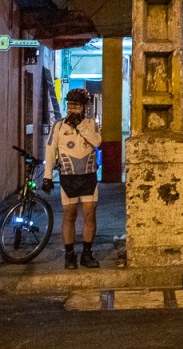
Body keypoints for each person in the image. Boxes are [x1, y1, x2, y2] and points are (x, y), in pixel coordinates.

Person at [43, 88, 102, 270]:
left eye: (76, 105)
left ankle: (86, 254)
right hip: (68, 177)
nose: (72, 109)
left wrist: (80, 125)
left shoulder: (91, 124)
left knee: (89, 215)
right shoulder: (59, 126)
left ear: (84, 107)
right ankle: (69, 255)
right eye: (70, 105)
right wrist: (47, 177)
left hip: (88, 176)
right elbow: (51, 149)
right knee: (69, 215)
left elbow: (97, 142)